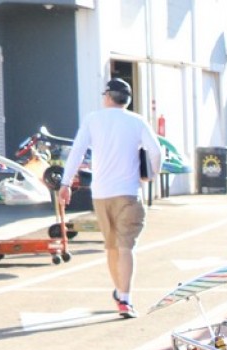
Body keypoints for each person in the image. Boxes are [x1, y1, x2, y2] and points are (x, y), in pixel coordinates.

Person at [59, 78, 162, 319]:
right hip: (129, 192)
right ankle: (125, 298)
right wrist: (151, 174)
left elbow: (77, 151)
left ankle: (120, 292)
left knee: (112, 246)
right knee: (126, 247)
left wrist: (66, 183)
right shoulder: (137, 121)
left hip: (101, 193)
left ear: (107, 96)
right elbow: (156, 151)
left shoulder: (93, 119)